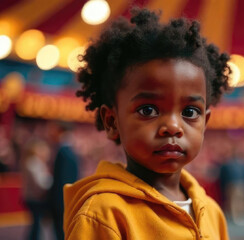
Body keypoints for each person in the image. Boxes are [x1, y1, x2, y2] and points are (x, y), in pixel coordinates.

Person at [63, 8, 230, 240]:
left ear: (205, 122)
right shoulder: (104, 214)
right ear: (112, 122)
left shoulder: (212, 212)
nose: (173, 127)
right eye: (148, 110)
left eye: (190, 111)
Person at [47, 121, 79, 240]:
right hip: (66, 200)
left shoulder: (63, 151)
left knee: (60, 232)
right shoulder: (70, 150)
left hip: (61, 201)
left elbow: (63, 180)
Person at [21, 138, 52, 240]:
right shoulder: (33, 162)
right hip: (35, 198)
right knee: (36, 224)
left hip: (32, 197)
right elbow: (40, 183)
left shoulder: (31, 161)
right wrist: (52, 181)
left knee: (36, 223)